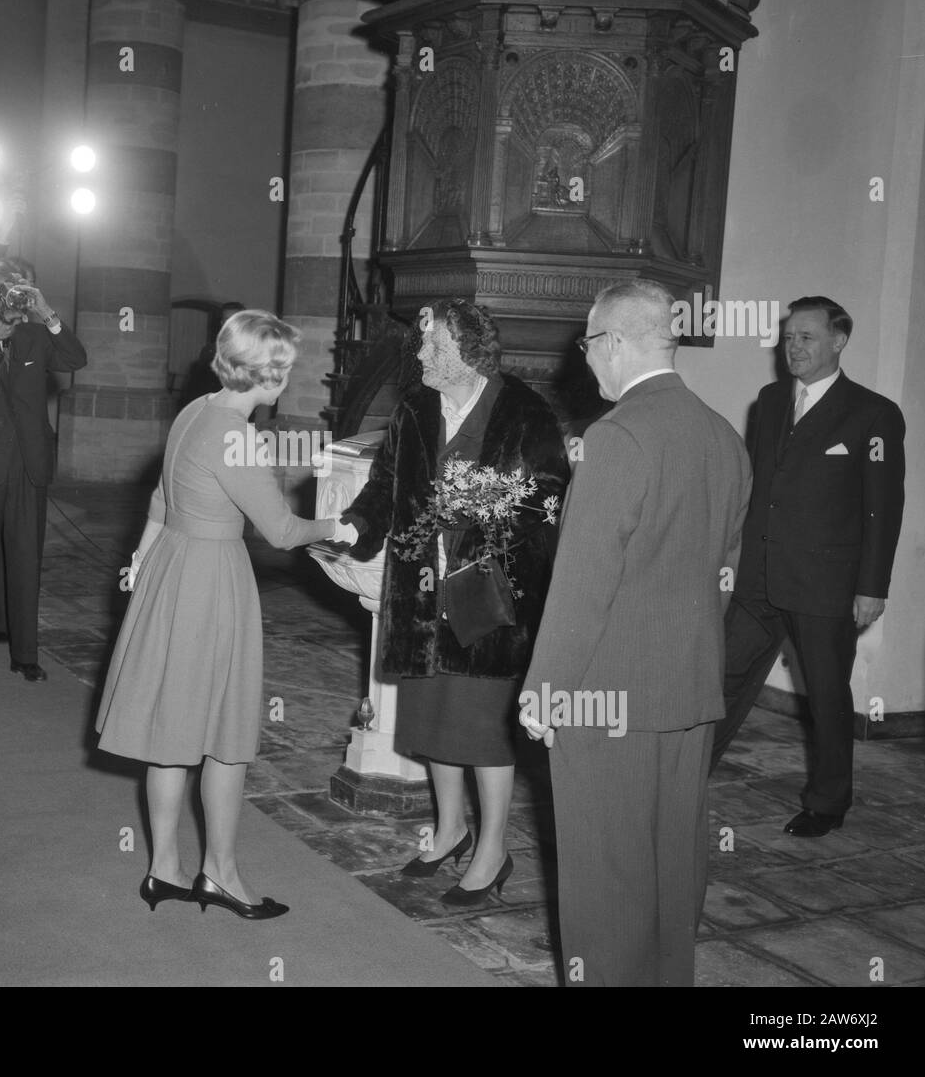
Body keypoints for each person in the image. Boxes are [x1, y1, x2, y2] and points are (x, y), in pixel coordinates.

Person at [518, 279, 751, 986]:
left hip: (605, 696)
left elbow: (584, 584)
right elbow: (724, 574)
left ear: (616, 342)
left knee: (604, 880)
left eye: (589, 346)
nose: (586, 363)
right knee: (671, 876)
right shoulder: (722, 434)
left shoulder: (614, 438)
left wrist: (545, 689)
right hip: (687, 690)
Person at [96, 310, 354, 919]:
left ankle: (163, 869)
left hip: (170, 571)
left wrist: (140, 560)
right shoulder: (241, 436)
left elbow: (160, 500)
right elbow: (283, 531)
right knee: (226, 737)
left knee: (171, 731)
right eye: (285, 369)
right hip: (213, 580)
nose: (287, 379)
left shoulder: (195, 411)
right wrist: (340, 524)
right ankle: (222, 874)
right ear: (270, 374)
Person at [342, 298, 570, 905]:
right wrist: (353, 528)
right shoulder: (415, 407)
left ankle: (492, 849)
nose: (419, 355)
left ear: (467, 352)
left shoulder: (523, 410)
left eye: (431, 345)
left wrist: (480, 516)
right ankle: (450, 829)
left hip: (488, 597)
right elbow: (385, 482)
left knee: (482, 728)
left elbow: (547, 495)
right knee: (433, 721)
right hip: (420, 593)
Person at [710, 297, 905, 836]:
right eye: (788, 337)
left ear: (838, 341)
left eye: (806, 337)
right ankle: (689, 772)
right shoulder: (770, 401)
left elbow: (882, 509)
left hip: (826, 586)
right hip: (758, 578)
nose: (792, 347)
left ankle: (827, 802)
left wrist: (872, 588)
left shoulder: (873, 413)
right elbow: (758, 491)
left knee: (825, 696)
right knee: (720, 675)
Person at [0, 257, 86, 681]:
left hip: (28, 465)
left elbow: (76, 360)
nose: (10, 294)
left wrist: (46, 311)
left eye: (18, 287)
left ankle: (26, 655)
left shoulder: (38, 333)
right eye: (1, 287)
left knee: (26, 561)